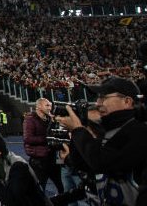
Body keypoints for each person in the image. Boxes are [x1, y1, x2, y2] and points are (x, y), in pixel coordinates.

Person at [55, 76, 147, 206]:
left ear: (127, 101)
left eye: (104, 97)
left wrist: (78, 130)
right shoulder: (110, 131)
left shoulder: (139, 131)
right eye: (98, 97)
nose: (98, 103)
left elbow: (102, 162)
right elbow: (84, 165)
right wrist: (78, 128)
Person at [23, 98, 64, 194]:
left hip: (52, 158)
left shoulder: (50, 119)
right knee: (39, 190)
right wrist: (47, 139)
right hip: (39, 161)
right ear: (38, 106)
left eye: (50, 105)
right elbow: (28, 139)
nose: (50, 108)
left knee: (62, 187)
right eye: (47, 105)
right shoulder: (30, 120)